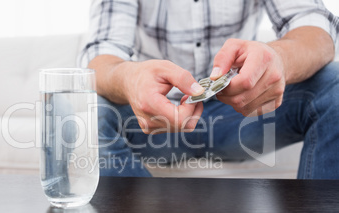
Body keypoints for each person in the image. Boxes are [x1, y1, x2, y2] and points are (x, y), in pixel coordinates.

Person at [78, 0, 339, 179]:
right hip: (151, 120)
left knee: (335, 86)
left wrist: (279, 59)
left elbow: (315, 27)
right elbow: (102, 56)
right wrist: (130, 79)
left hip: (241, 113)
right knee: (86, 110)